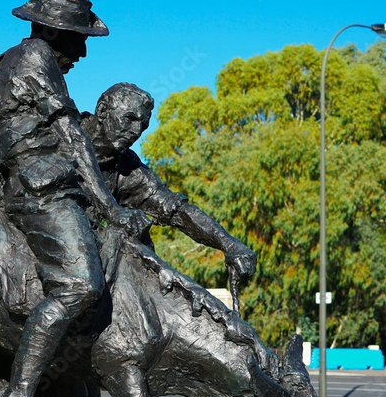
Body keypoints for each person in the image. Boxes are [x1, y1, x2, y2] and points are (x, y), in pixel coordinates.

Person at [0, 0, 148, 397]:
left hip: (50, 183)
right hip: (40, 188)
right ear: (50, 31)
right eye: (78, 39)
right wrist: (110, 207)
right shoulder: (33, 61)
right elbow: (72, 139)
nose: (83, 52)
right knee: (78, 285)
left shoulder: (23, 58)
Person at [80, 83, 256, 284]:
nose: (136, 131)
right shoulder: (58, 136)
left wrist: (230, 244)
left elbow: (175, 209)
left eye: (143, 125)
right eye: (130, 118)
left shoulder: (126, 166)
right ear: (102, 111)